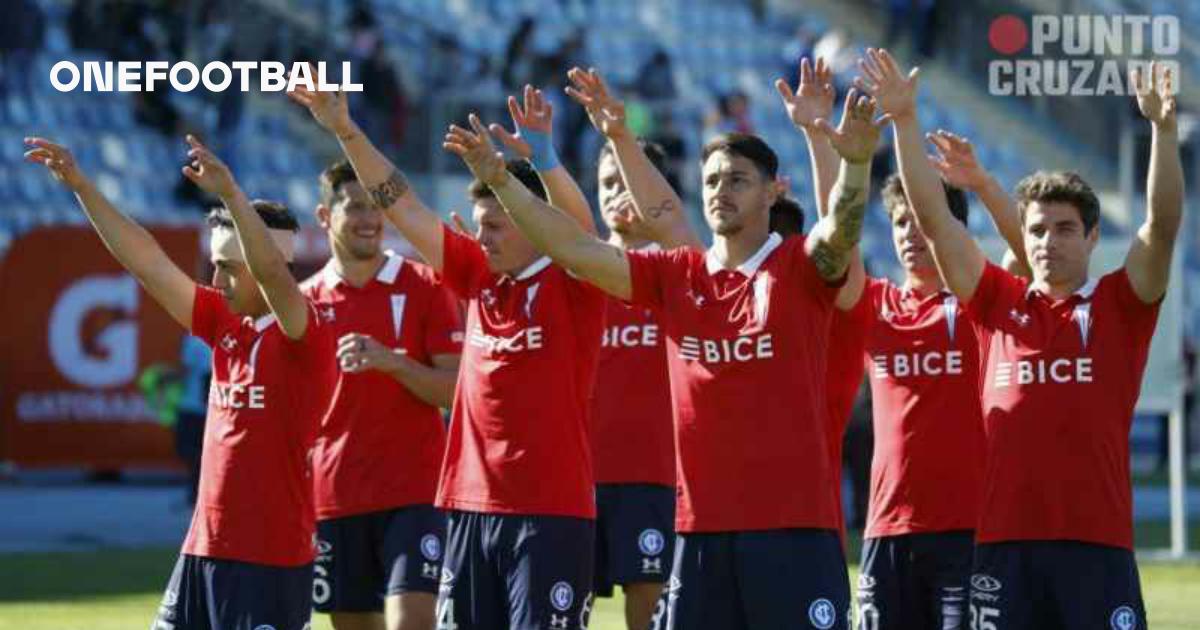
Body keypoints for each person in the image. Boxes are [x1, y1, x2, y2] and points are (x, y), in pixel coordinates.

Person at [444, 65, 885, 630]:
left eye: (738, 179)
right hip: (697, 532)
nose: (721, 191)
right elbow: (580, 252)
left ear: (774, 190)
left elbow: (840, 231)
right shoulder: (679, 275)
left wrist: (850, 159)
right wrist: (505, 182)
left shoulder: (798, 268)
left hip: (792, 529)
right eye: (712, 180)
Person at [860, 49, 1183, 629]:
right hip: (1003, 550)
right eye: (1036, 229)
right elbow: (936, 221)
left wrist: (1161, 130)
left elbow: (1160, 228)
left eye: (1064, 229)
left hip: (1096, 545)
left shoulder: (1119, 306)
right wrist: (905, 124)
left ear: (1091, 238)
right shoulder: (996, 305)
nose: (1047, 241)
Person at [289, 79, 601, 629]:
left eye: (496, 227)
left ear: (533, 226)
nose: (482, 239)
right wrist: (346, 130)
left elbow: (578, 230)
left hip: (550, 511)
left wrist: (542, 159)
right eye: (479, 227)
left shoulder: (573, 284)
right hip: (466, 509)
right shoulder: (478, 277)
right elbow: (402, 205)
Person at [25, 134, 336, 630]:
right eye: (214, 267)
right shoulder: (223, 322)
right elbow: (146, 262)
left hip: (270, 562)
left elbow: (275, 276)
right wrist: (82, 186)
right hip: (202, 548)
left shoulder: (308, 332)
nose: (216, 282)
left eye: (230, 269)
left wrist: (233, 195)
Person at [301, 159, 464, 630]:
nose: (369, 219)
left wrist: (392, 362)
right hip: (335, 497)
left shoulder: (425, 285)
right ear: (324, 216)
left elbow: (455, 390)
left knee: (410, 621)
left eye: (375, 207)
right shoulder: (304, 302)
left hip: (416, 495)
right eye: (354, 207)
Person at [564, 71, 698, 630]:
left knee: (651, 615)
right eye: (607, 182)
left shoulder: (684, 273)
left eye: (629, 182)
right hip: (573, 478)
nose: (618, 193)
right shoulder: (576, 272)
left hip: (658, 476)